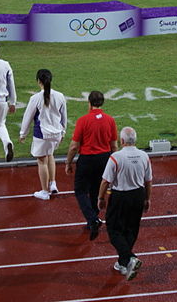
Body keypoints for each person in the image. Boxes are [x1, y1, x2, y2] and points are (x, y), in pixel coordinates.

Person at [98, 126, 153, 281]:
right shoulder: (144, 156)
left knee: (113, 229)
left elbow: (105, 181)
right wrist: (147, 199)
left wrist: (100, 198)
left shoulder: (116, 157)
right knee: (131, 228)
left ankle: (129, 258)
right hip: (138, 195)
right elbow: (148, 181)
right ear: (135, 140)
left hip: (120, 196)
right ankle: (123, 263)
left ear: (121, 141)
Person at [65, 91, 118, 240]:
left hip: (87, 159)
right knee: (96, 190)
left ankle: (92, 219)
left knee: (80, 191)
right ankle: (93, 219)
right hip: (104, 159)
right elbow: (114, 146)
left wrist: (68, 162)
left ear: (89, 103)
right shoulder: (110, 120)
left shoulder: (83, 120)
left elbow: (74, 146)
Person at [19, 69, 68, 200]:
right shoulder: (60, 96)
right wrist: (63, 132)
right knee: (50, 155)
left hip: (42, 135)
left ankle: (45, 192)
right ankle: (53, 184)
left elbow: (27, 117)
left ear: (38, 81)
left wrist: (23, 134)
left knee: (42, 161)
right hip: (56, 133)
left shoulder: (35, 98)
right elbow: (64, 117)